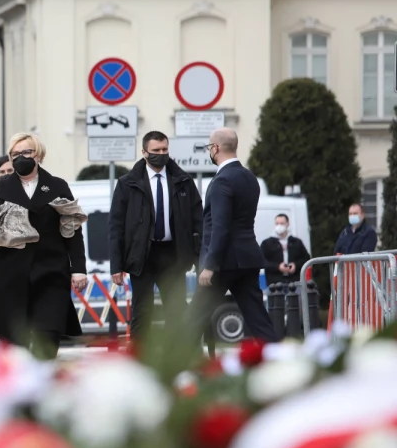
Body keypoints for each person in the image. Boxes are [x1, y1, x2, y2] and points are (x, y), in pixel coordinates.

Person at [0, 132, 86, 359]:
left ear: (38, 155)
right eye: (15, 154)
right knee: (14, 341)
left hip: (50, 272)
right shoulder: (0, 190)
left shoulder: (57, 186)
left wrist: (78, 268)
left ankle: (44, 376)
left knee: (48, 331)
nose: (21, 157)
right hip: (8, 273)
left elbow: (72, 228)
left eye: (26, 152)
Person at [188, 128, 279, 347]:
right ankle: (279, 359)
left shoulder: (221, 181)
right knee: (258, 319)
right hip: (247, 259)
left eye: (210, 147)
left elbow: (221, 226)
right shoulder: (249, 178)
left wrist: (210, 264)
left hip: (223, 263)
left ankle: (173, 368)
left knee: (192, 320)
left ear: (216, 148)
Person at [109, 131, 202, 339]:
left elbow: (198, 221)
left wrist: (198, 256)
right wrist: (116, 264)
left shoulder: (183, 180)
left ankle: (174, 356)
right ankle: (140, 359)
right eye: (156, 151)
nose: (161, 154)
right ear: (144, 152)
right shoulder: (128, 183)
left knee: (177, 309)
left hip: (173, 254)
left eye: (164, 150)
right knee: (142, 310)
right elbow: (116, 225)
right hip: (142, 254)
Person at [261, 213, 310, 286]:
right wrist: (277, 266)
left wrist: (295, 265)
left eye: (282, 223)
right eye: (277, 223)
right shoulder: (267, 243)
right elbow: (262, 261)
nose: (279, 226)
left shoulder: (296, 242)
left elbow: (306, 258)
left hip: (294, 282)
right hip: (275, 284)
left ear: (287, 224)